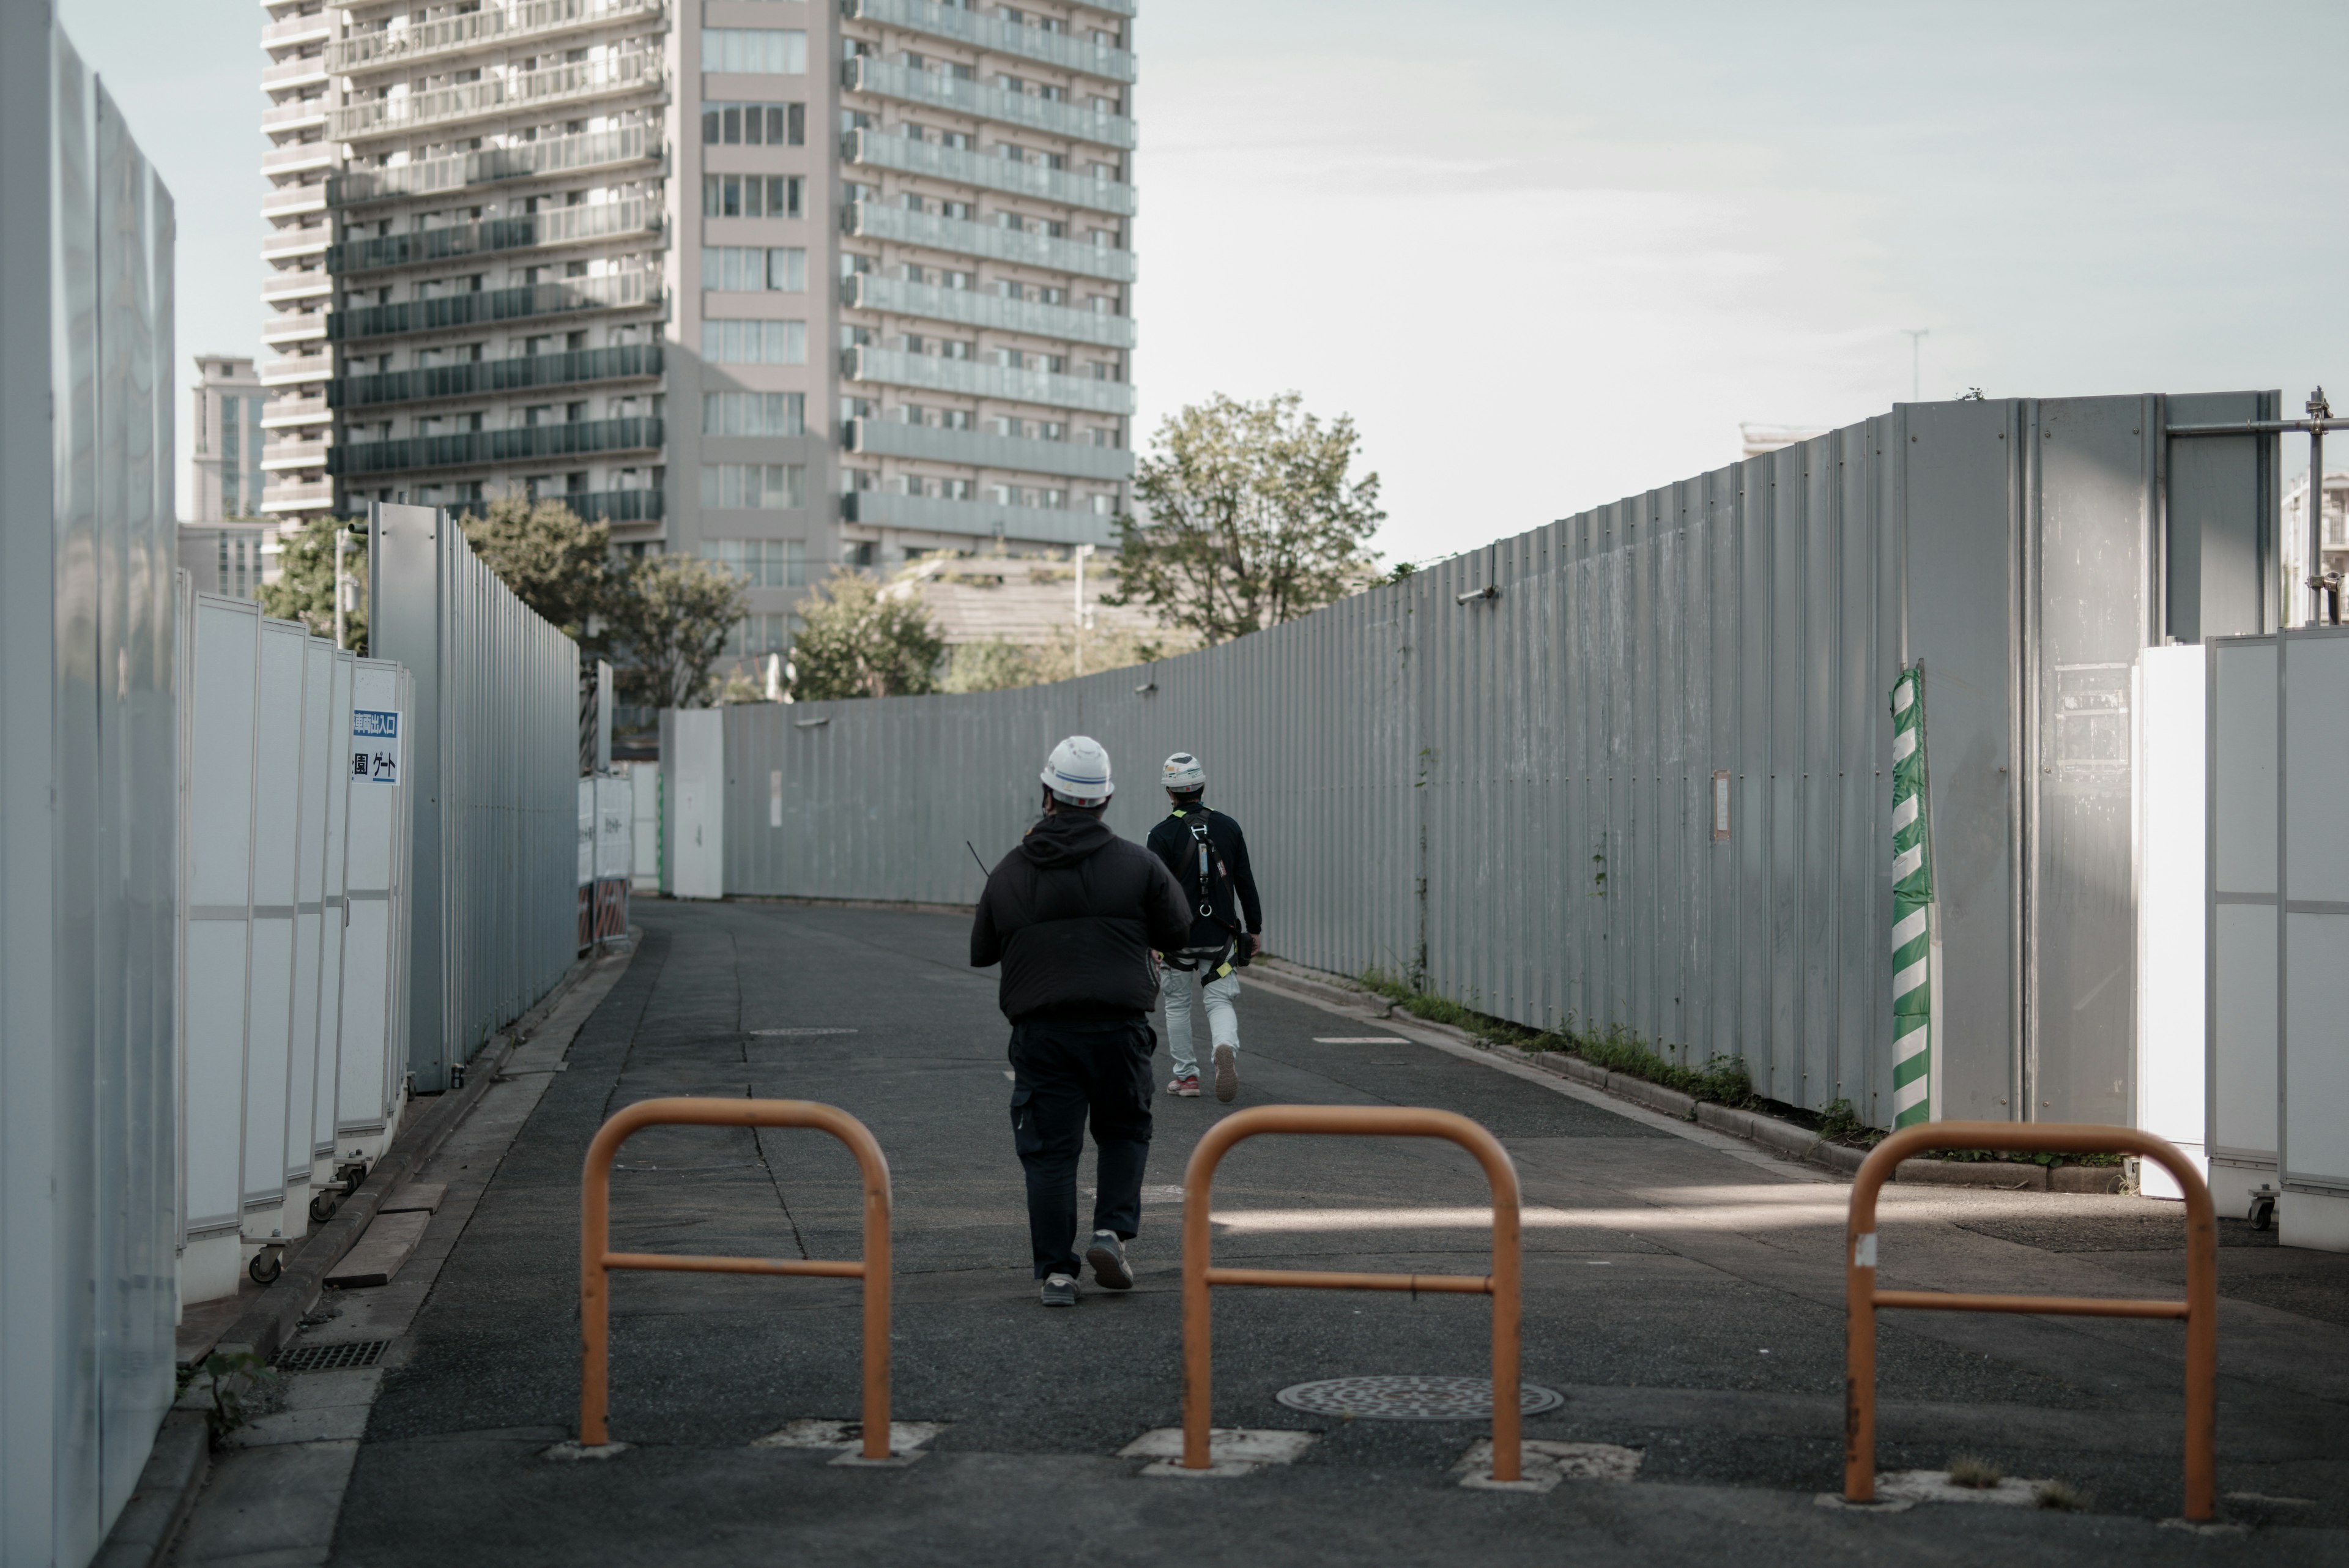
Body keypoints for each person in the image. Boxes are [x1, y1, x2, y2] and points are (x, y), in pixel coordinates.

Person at [971, 736, 1191, 1307]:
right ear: (1106, 800)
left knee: (1050, 1152)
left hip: (1043, 1034)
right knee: (1123, 1131)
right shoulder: (1139, 864)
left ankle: (1057, 1274)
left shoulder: (1011, 870)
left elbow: (982, 949)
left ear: (1048, 794)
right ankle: (1111, 1232)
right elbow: (1178, 930)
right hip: (1118, 1027)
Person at [1145, 752, 1263, 1104]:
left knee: (1178, 1005)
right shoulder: (1229, 826)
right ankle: (1223, 1048)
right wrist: (1253, 927)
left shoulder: (1160, 835)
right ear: (1202, 785)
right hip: (1221, 935)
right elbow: (1245, 881)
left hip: (1177, 938)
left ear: (1169, 791)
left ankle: (1187, 1078)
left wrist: (1153, 938)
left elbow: (1154, 894)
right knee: (1220, 1000)